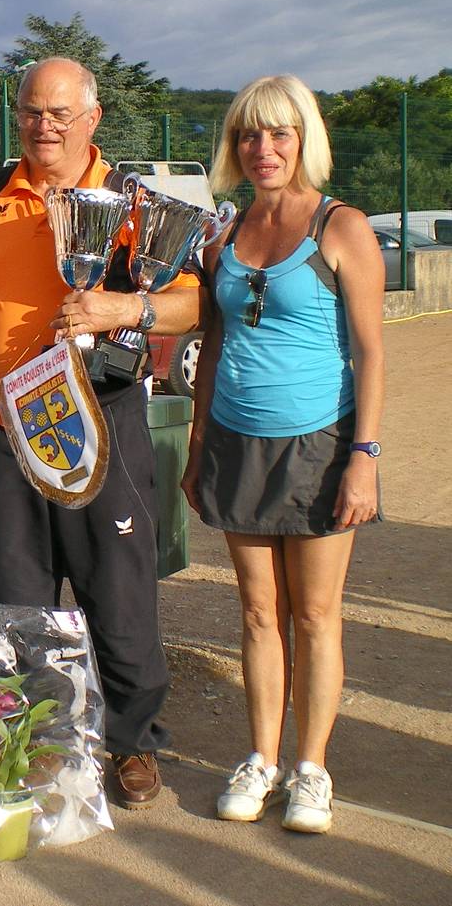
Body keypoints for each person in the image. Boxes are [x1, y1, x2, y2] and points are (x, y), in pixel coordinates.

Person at [0, 58, 203, 809]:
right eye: (32, 111)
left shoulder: (132, 202)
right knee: (19, 594)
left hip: (105, 419)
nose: (44, 126)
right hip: (9, 427)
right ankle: (41, 737)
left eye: (60, 113)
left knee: (118, 590)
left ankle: (131, 740)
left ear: (92, 119)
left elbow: (194, 303)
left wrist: (125, 310)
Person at [181, 75, 384, 833]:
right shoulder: (224, 235)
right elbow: (214, 342)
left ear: (303, 140)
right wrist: (199, 444)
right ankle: (261, 758)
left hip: (320, 444)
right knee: (259, 611)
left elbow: (370, 352)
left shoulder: (342, 227)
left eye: (278, 133)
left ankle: (312, 769)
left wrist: (363, 456)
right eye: (248, 134)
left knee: (316, 614)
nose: (262, 148)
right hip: (236, 440)